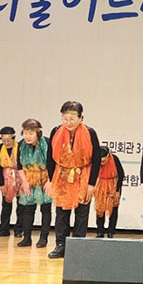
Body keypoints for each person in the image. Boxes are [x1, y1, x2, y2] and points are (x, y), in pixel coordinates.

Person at [46, 101, 101, 259]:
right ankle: (61, 245)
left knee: (82, 213)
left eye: (72, 119)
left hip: (83, 175)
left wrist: (91, 183)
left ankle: (77, 246)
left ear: (81, 117)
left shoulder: (90, 132)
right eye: (65, 119)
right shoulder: (56, 131)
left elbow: (96, 159)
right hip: (62, 175)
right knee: (61, 213)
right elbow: (50, 158)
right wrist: (51, 180)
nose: (68, 122)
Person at [16, 119, 52, 248]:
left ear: (38, 133)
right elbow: (19, 165)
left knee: (46, 208)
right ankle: (27, 237)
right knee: (27, 209)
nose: (27, 136)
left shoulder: (47, 143)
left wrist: (50, 182)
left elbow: (54, 164)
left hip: (45, 178)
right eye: (25, 133)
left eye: (31, 133)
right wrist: (24, 182)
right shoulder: (21, 145)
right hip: (29, 178)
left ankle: (43, 238)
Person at [0, 126, 24, 238]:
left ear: (13, 138)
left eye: (8, 140)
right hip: (6, 177)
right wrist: (1, 183)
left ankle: (18, 229)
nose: (6, 143)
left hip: (19, 176)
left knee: (21, 205)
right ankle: (4, 229)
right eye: (4, 140)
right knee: (6, 205)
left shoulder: (20, 147)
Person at [94, 146, 124, 238]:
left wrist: (117, 190)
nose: (102, 163)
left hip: (113, 185)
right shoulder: (95, 160)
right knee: (100, 209)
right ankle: (100, 231)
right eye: (101, 161)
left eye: (104, 161)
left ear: (108, 156)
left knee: (113, 209)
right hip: (100, 185)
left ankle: (111, 231)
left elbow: (121, 174)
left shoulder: (114, 159)